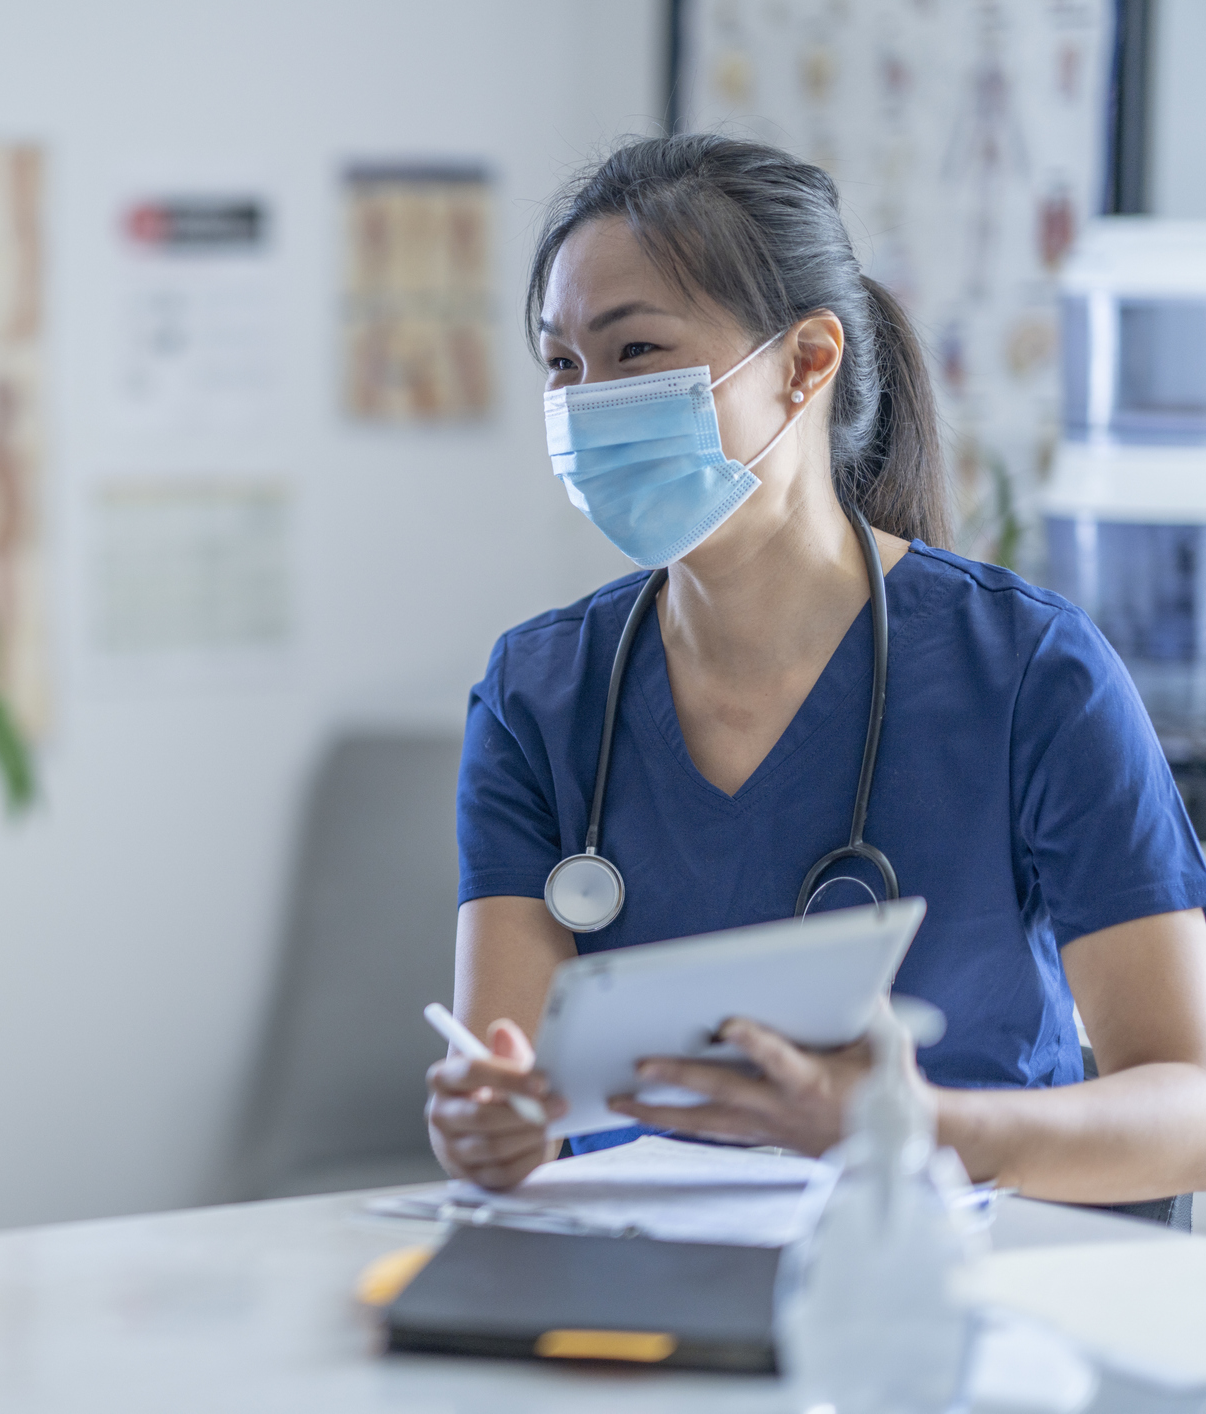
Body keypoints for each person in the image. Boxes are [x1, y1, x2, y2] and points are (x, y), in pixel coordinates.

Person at [428, 134, 1206, 1209]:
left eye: (637, 351)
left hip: (955, 1281)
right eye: (563, 364)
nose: (587, 403)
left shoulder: (1030, 672)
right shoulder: (537, 696)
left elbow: (1187, 1104)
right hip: (645, 1304)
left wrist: (910, 1124)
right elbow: (519, 1091)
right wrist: (489, 1128)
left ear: (805, 363)